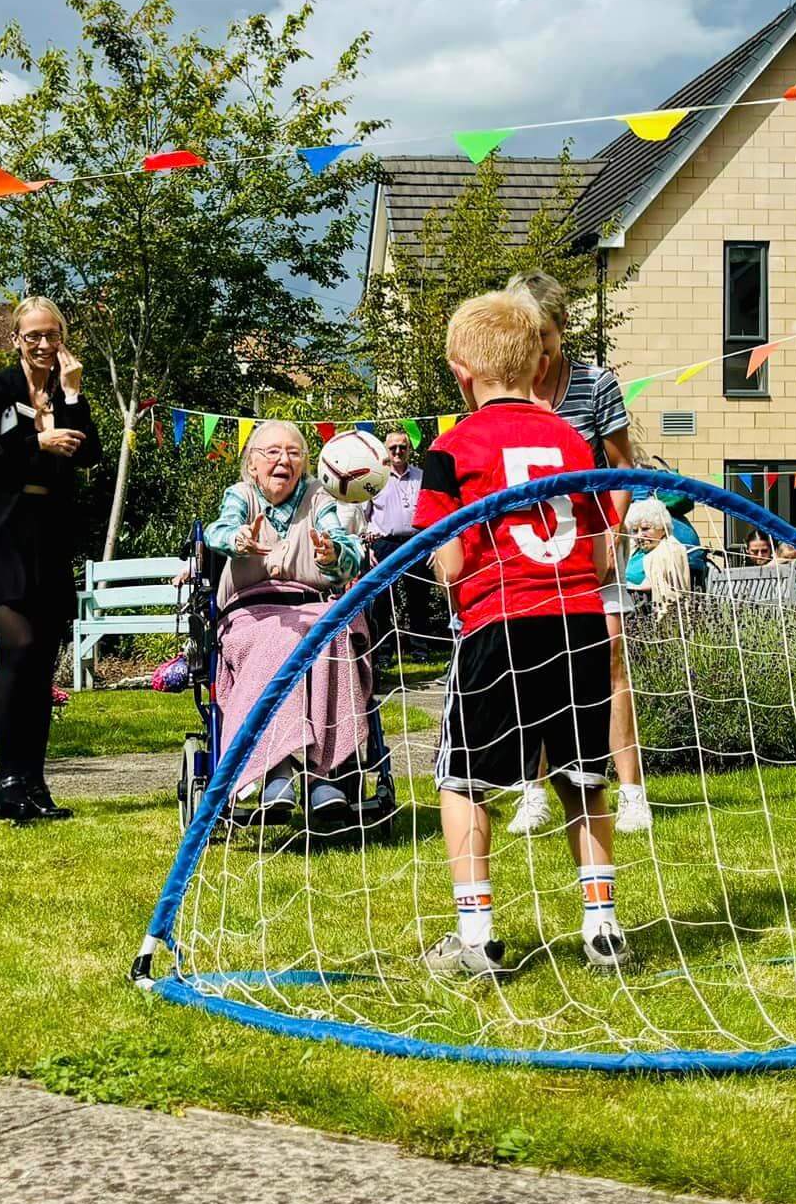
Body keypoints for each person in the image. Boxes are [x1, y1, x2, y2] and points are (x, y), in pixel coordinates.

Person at [414, 288, 619, 978]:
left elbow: (449, 563)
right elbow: (600, 550)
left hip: (500, 625)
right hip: (580, 622)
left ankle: (476, 935)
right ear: (538, 364)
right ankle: (602, 928)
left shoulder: (451, 447)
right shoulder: (570, 439)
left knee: (463, 780)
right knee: (582, 777)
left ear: (460, 370)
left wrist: (457, 568)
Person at [509, 271, 651, 835]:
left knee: (611, 659)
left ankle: (632, 791)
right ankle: (533, 790)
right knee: (531, 665)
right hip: (527, 547)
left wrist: (609, 533)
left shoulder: (596, 385)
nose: (534, 347)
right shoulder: (506, 385)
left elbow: (622, 468)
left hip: (588, 542)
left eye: (541, 334)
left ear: (561, 330)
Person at [0, 297, 101, 822]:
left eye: (53, 335)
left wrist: (73, 394)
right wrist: (39, 440)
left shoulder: (67, 389)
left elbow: (90, 453)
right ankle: (10, 775)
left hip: (48, 536)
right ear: (16, 338)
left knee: (40, 661)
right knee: (18, 644)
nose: (44, 345)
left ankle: (31, 784)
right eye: (34, 335)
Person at [203, 420, 370, 816]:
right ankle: (276, 769)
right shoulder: (241, 495)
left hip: (311, 605)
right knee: (282, 640)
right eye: (272, 452)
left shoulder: (318, 498)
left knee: (333, 634)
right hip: (250, 612)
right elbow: (218, 530)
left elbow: (348, 549)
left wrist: (332, 553)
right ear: (252, 465)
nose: (284, 460)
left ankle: (325, 775)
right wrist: (238, 539)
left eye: (294, 453)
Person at [361, 431, 439, 670]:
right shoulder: (376, 478)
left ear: (409, 449)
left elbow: (433, 513)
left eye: (402, 447)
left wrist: (434, 545)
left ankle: (420, 652)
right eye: (393, 448)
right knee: (383, 602)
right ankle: (383, 654)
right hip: (384, 545)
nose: (397, 452)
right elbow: (361, 517)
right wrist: (367, 546)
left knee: (419, 600)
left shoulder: (421, 477)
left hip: (416, 543)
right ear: (386, 450)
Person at [621, 496, 691, 608]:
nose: (639, 535)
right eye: (635, 531)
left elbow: (651, 587)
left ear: (662, 529)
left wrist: (621, 587)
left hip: (642, 608)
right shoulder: (634, 550)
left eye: (645, 529)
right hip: (626, 601)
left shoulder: (669, 550)